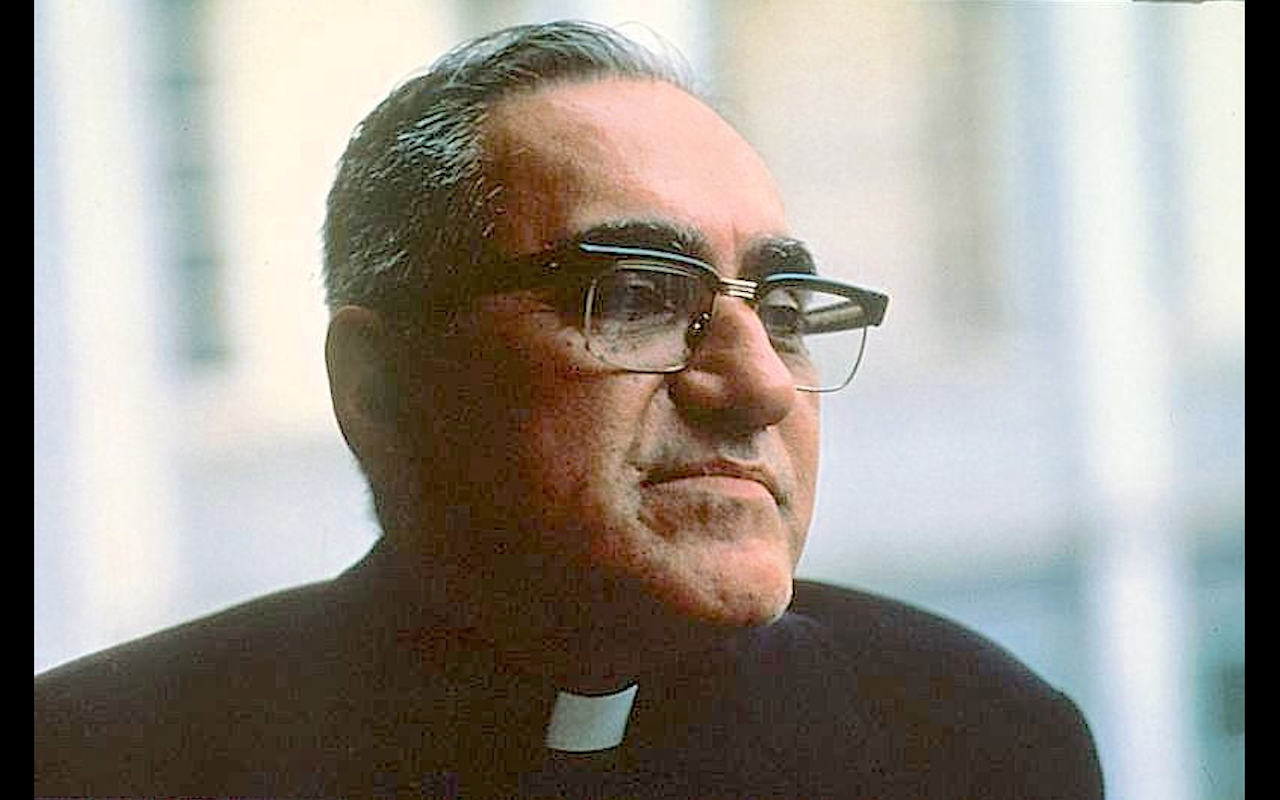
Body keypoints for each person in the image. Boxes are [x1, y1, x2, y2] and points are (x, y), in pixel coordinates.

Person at [34, 20, 1103, 798]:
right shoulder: (95, 762)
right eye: (636, 296)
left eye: (780, 312)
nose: (762, 386)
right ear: (380, 390)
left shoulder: (971, 739)